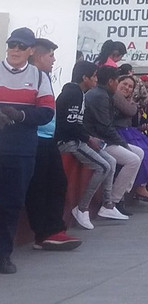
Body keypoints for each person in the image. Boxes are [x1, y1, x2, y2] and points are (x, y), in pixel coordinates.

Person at [0, 27, 57, 274]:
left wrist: (20, 115)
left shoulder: (39, 77)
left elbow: (47, 111)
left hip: (20, 151)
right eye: (12, 44)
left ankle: (3, 256)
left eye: (21, 46)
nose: (15, 49)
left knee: (11, 204)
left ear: (31, 50)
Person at [23, 38, 82, 251]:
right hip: (34, 139)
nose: (54, 59)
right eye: (51, 55)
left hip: (48, 140)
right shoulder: (28, 77)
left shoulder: (44, 77)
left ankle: (54, 230)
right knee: (39, 188)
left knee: (57, 184)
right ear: (38, 56)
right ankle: (45, 233)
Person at [55, 60, 127, 229]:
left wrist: (88, 138)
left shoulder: (80, 93)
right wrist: (88, 139)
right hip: (68, 142)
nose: (96, 79)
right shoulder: (74, 93)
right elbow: (69, 126)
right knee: (103, 166)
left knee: (111, 161)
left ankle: (108, 205)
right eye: (94, 76)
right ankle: (82, 208)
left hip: (78, 138)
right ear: (84, 77)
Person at [82, 64, 143, 218]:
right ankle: (112, 202)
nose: (118, 84)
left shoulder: (103, 94)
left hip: (105, 138)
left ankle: (121, 195)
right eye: (117, 81)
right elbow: (104, 128)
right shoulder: (99, 96)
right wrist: (122, 144)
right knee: (133, 159)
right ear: (110, 81)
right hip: (99, 141)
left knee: (139, 152)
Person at [113, 74, 148, 203]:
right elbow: (130, 111)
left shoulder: (128, 100)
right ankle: (136, 188)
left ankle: (144, 185)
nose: (127, 88)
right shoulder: (116, 96)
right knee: (141, 150)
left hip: (127, 130)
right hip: (116, 132)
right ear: (117, 83)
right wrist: (133, 106)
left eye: (130, 87)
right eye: (124, 84)